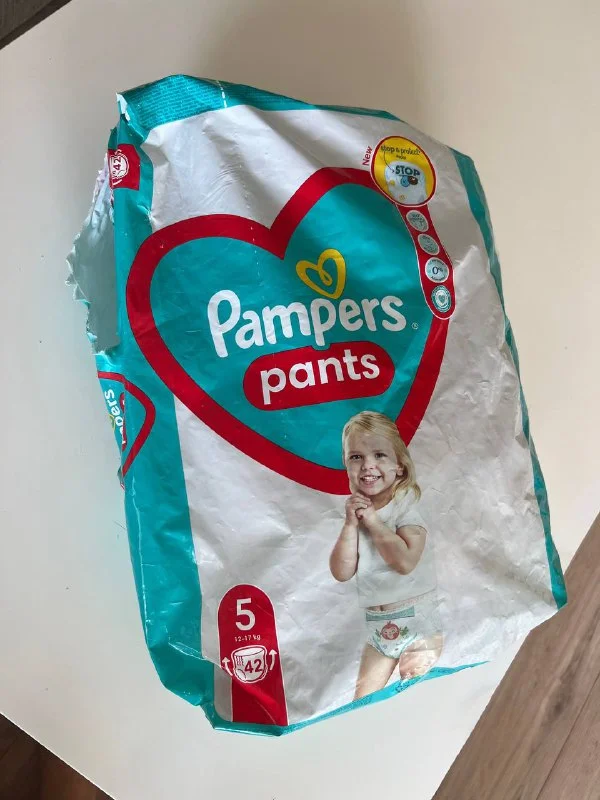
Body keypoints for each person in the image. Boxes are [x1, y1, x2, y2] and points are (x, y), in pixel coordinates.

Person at [330, 410, 442, 699]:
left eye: (379, 455)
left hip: (417, 624)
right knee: (362, 700)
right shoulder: (358, 513)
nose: (368, 465)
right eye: (356, 457)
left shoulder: (406, 506)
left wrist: (373, 523)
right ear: (346, 465)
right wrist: (350, 525)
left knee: (415, 693)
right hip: (378, 630)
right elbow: (342, 572)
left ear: (400, 467)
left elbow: (405, 562)